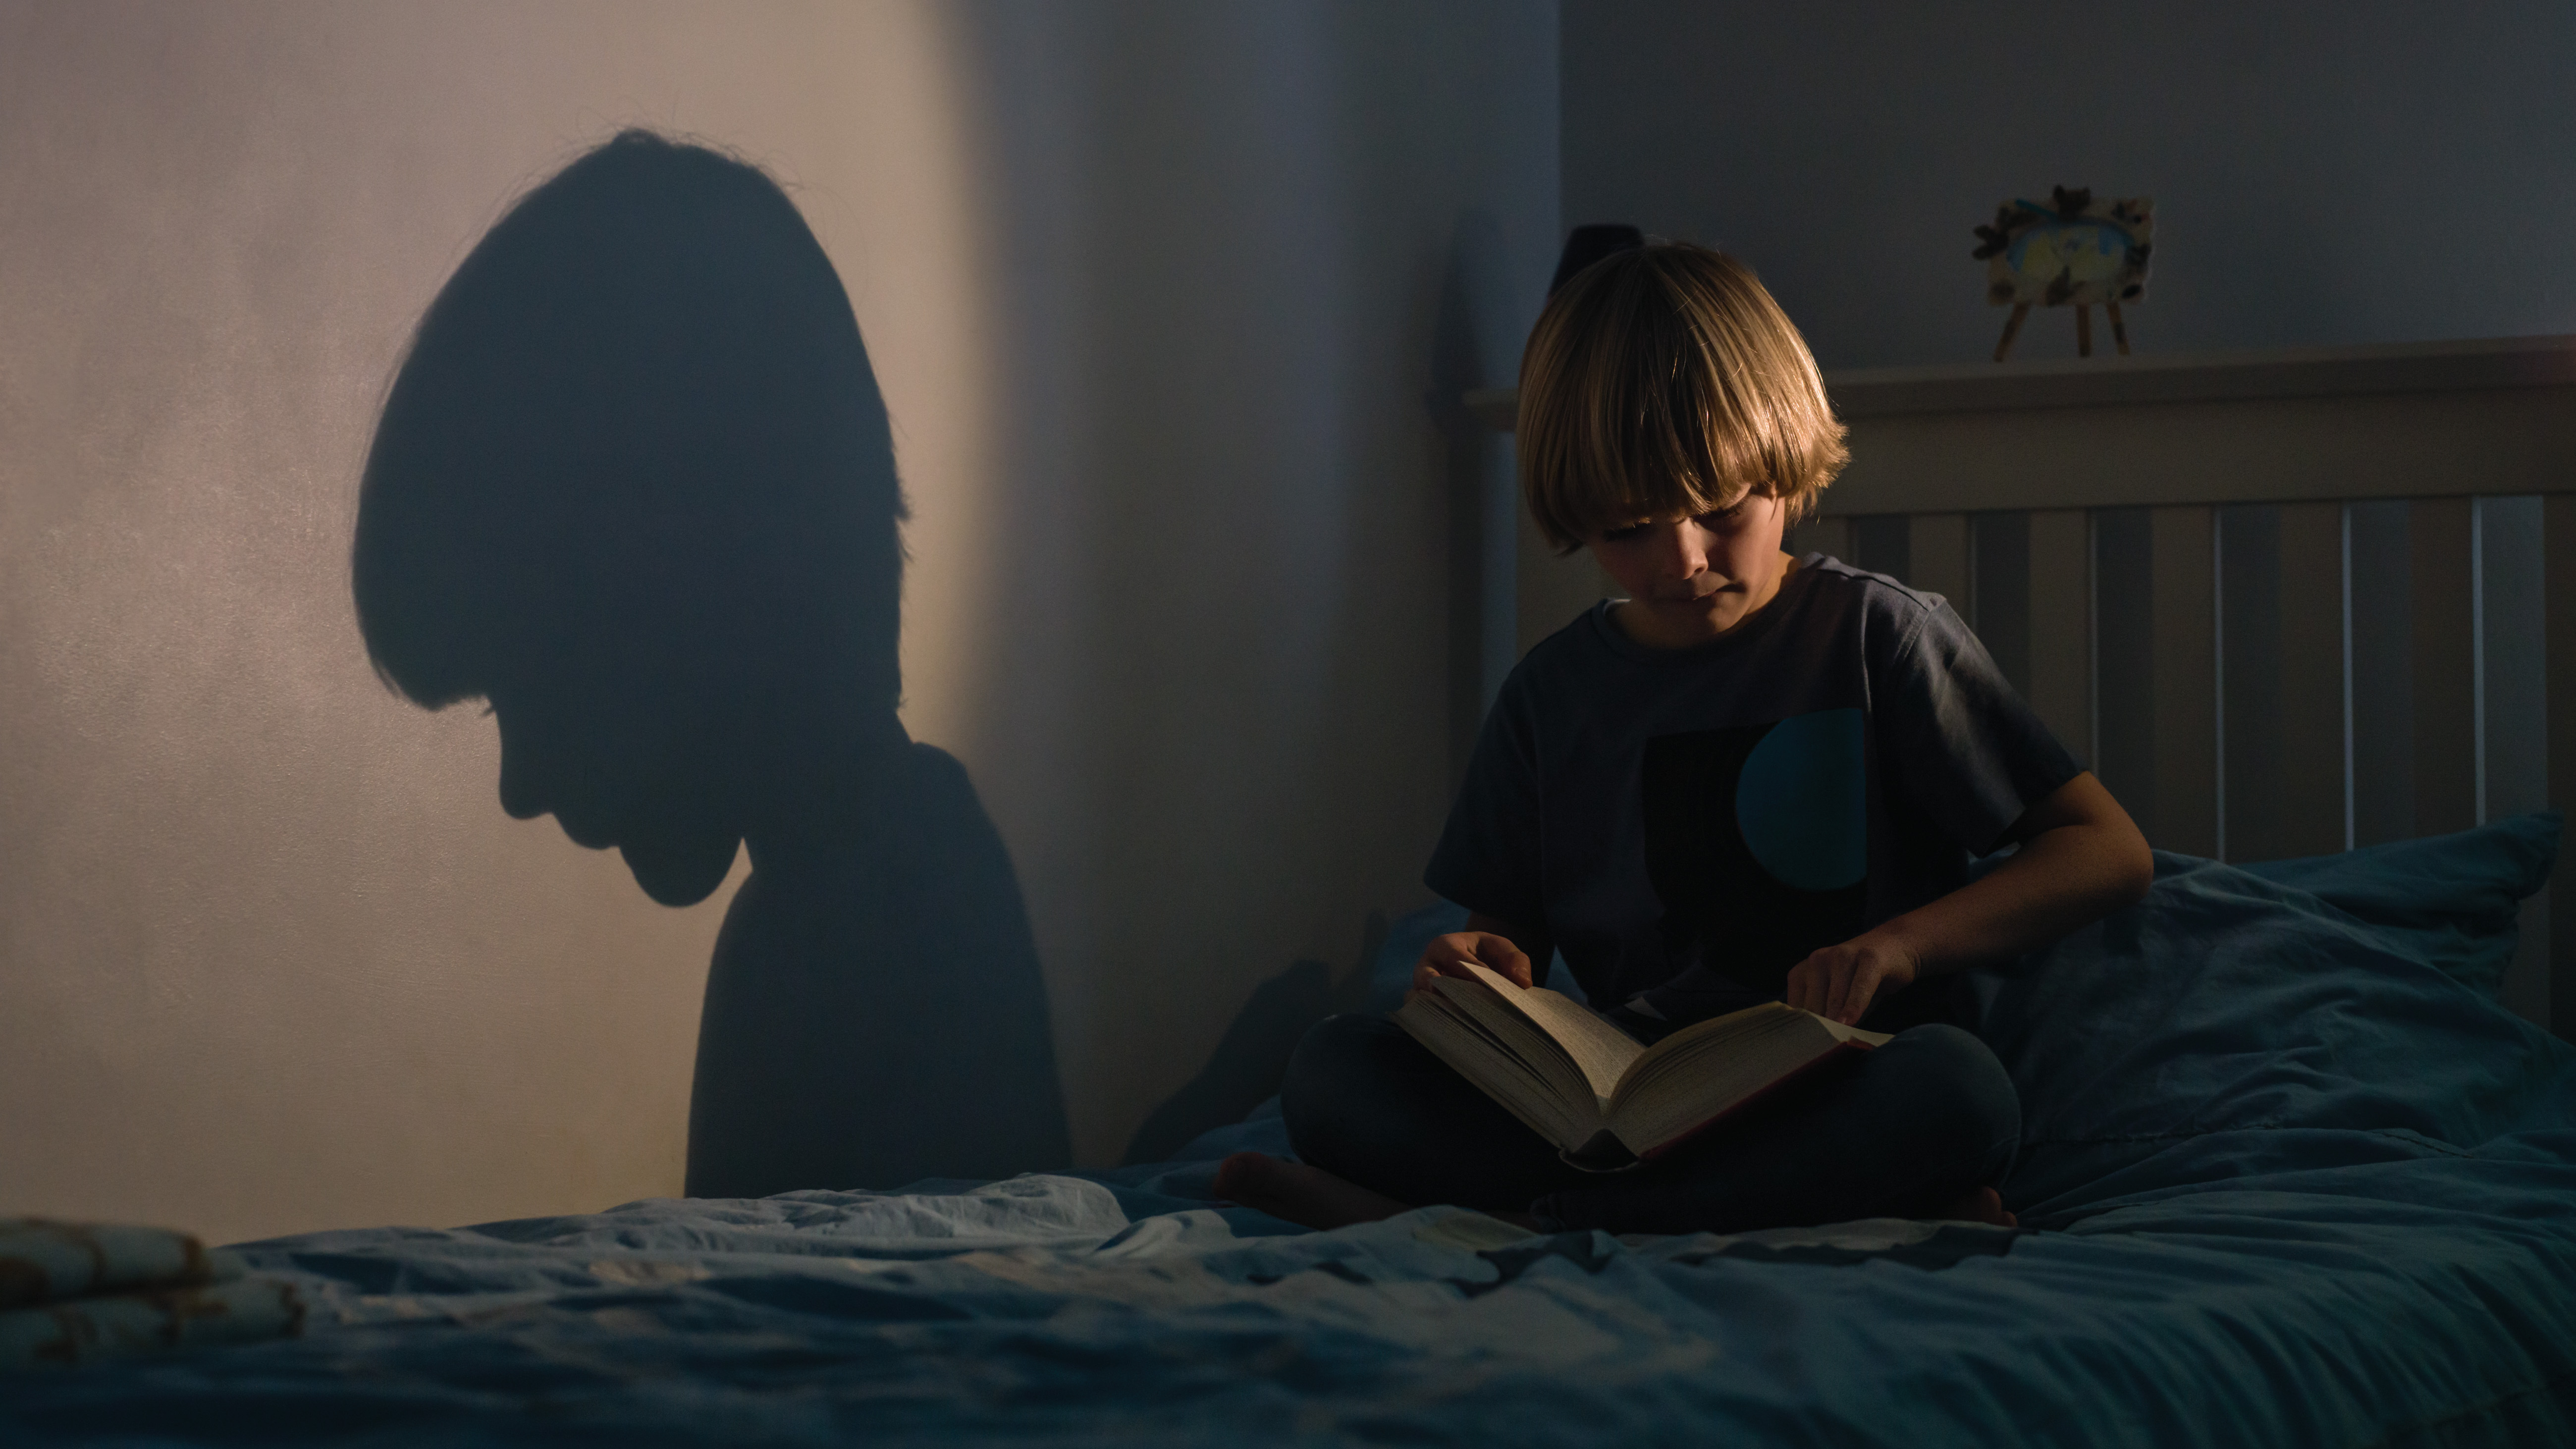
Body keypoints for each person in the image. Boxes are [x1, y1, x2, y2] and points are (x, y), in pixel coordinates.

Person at [1216, 241, 2152, 1234]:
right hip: (1626, 1098)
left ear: (1784, 466)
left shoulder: (1878, 637)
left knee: (1960, 1092)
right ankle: (1739, 1213)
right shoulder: (1550, 693)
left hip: (1841, 1077)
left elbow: (2107, 850)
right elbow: (1506, 938)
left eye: (1718, 509)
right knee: (1332, 1069)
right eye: (1627, 530)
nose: (1682, 561)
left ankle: (1520, 1219)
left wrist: (1896, 947)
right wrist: (1474, 964)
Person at [351, 131, 1070, 1196]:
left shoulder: (878, 918)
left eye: (517, 693)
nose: (517, 788)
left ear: (670, 590)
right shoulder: (832, 902)